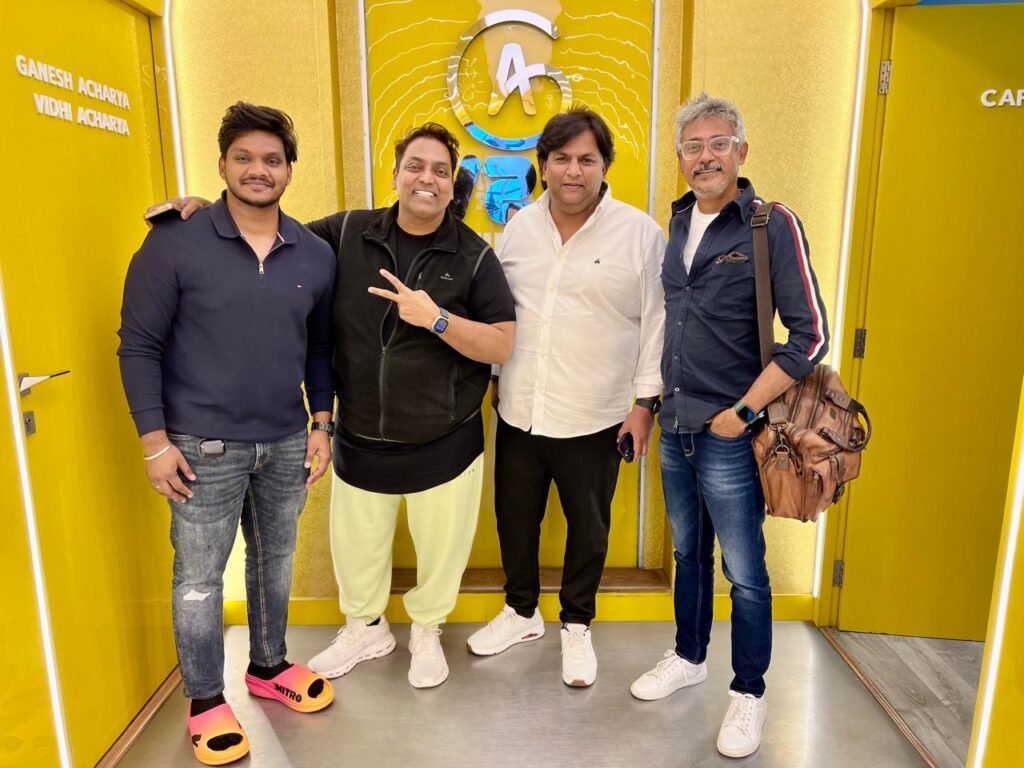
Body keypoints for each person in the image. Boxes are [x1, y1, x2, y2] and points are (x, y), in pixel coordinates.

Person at [118, 102, 336, 766]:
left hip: (285, 441)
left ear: (290, 170)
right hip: (198, 447)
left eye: (272, 159)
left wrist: (321, 424)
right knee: (199, 579)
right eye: (243, 157)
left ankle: (268, 667)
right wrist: (155, 444)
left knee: (274, 562)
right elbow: (138, 345)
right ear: (221, 164)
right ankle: (206, 699)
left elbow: (318, 348)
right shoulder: (174, 243)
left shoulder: (314, 253)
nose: (257, 170)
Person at [628, 93, 829, 759]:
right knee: (688, 556)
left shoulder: (771, 224)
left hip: (732, 434)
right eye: (693, 146)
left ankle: (749, 692)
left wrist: (741, 414)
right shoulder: (678, 222)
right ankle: (689, 657)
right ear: (680, 158)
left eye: (718, 143)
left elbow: (810, 337)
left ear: (741, 151)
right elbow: (665, 325)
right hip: (677, 425)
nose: (705, 156)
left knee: (744, 572)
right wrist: (649, 404)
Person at [465, 108, 666, 688]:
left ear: (604, 166)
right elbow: (502, 310)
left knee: (588, 526)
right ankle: (520, 611)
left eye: (586, 159)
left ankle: (577, 623)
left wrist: (644, 405)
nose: (573, 170)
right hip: (520, 407)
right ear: (544, 165)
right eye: (561, 159)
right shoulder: (519, 228)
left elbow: (657, 322)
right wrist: (496, 374)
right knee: (515, 518)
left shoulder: (640, 234)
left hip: (598, 413)